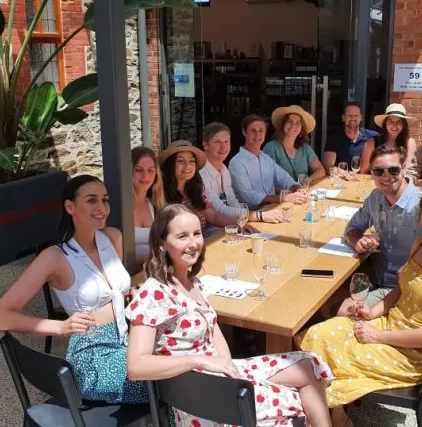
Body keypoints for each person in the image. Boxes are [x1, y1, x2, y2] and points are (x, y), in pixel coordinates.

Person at [297, 163, 422, 426]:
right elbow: (401, 290)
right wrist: (373, 311)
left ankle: (323, 417)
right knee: (318, 333)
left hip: (410, 352)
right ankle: (336, 415)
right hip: (388, 324)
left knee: (331, 349)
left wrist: (377, 335)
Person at [126, 204, 333, 427]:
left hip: (219, 375)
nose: (193, 243)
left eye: (196, 234)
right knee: (297, 399)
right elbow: (136, 367)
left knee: (310, 365)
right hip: (197, 394)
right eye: (182, 236)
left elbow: (214, 331)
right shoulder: (154, 293)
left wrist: (228, 367)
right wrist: (198, 360)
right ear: (162, 245)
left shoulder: (193, 282)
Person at [0, 175, 146, 403]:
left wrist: (132, 293)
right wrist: (60, 327)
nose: (102, 207)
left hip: (129, 337)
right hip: (93, 353)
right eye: (92, 200)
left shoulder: (112, 237)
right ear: (70, 206)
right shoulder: (54, 257)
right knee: (168, 385)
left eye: (105, 199)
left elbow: (116, 292)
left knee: (185, 360)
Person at [336, 144, 422, 316]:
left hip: (402, 289)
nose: (386, 176)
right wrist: (358, 241)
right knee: (328, 298)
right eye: (379, 171)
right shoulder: (375, 198)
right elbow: (351, 229)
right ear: (371, 173)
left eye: (393, 170)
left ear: (403, 169)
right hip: (375, 275)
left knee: (342, 310)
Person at [160, 140, 255, 235]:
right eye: (180, 161)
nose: (187, 166)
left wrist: (238, 225)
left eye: (191, 161)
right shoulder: (162, 196)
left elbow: (212, 216)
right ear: (170, 164)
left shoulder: (195, 189)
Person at [199, 122, 286, 224]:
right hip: (211, 229)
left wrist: (250, 217)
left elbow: (232, 201)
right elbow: (219, 209)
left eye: (226, 141)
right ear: (205, 145)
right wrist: (259, 216)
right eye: (217, 142)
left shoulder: (223, 169)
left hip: (230, 222)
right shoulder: (200, 172)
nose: (223, 147)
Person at [229, 114, 310, 209]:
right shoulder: (237, 163)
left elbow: (284, 178)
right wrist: (283, 198)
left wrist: (297, 189)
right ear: (244, 132)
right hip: (252, 215)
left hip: (274, 208)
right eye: (253, 130)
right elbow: (248, 196)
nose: (257, 134)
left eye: (261, 130)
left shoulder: (266, 158)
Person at [263, 105, 326, 183]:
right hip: (282, 194)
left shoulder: (305, 147)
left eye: (298, 123)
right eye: (290, 121)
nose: (293, 126)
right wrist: (288, 191)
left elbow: (320, 170)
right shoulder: (271, 147)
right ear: (283, 124)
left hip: (302, 192)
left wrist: (307, 181)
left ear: (301, 129)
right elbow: (267, 178)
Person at [322, 102, 377, 177]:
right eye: (349, 115)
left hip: (363, 182)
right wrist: (344, 174)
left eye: (356, 115)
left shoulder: (372, 136)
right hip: (341, 181)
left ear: (361, 117)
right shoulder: (334, 138)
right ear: (343, 118)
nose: (353, 118)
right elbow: (328, 165)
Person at [132, 146, 166, 264]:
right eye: (139, 170)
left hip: (154, 269)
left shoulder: (155, 204)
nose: (145, 176)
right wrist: (157, 257)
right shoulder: (118, 206)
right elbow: (116, 253)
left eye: (151, 170)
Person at [362, 103, 417, 175]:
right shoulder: (372, 142)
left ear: (403, 125)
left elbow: (409, 167)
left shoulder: (409, 142)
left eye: (398, 122)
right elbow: (363, 171)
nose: (394, 125)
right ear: (385, 123)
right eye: (391, 121)